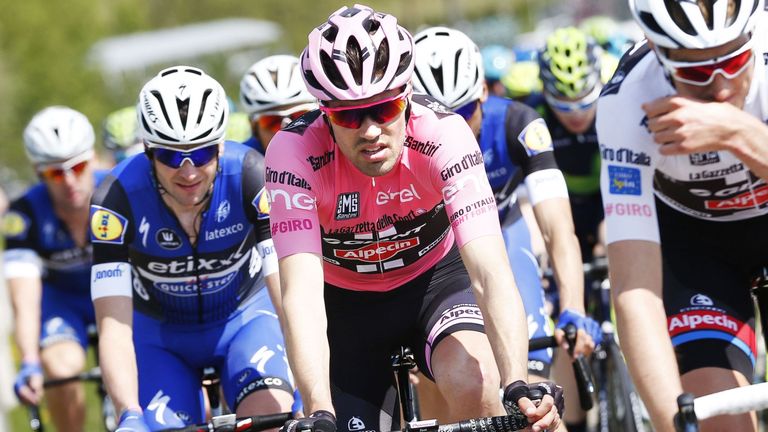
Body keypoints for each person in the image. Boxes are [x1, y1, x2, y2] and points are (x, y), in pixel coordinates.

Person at [266, 5, 565, 432]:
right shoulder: (293, 152)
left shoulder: (444, 134)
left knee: (477, 381)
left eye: (384, 109)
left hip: (435, 284)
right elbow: (302, 294)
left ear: (406, 96)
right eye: (348, 115)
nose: (370, 130)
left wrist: (516, 381)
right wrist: (318, 409)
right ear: (324, 113)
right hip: (347, 307)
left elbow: (490, 271)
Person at [412, 26, 601, 431]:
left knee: (532, 398)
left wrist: (573, 306)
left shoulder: (518, 122)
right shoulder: (402, 145)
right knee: (444, 401)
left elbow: (557, 229)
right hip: (439, 256)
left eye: (464, 111)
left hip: (502, 236)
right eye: (437, 117)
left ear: (483, 92)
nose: (454, 128)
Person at [90, 66, 297, 431]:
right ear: (148, 151)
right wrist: (128, 413)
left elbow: (286, 295)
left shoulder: (251, 174)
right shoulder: (115, 199)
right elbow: (113, 327)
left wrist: (306, 388)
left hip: (246, 320)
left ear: (221, 145)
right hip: (160, 340)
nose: (188, 172)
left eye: (201, 154)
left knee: (271, 419)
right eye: (171, 157)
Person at [597, 0, 768, 430]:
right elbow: (635, 290)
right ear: (659, 53)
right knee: (715, 413)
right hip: (696, 249)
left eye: (734, 62)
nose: (721, 88)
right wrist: (674, 421)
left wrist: (738, 131)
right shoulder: (629, 101)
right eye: (696, 72)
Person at [2, 106, 101, 432]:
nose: (70, 181)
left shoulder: (119, 191)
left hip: (120, 293)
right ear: (38, 172)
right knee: (60, 368)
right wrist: (29, 361)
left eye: (78, 166)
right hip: (63, 303)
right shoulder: (24, 214)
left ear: (93, 158)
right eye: (56, 174)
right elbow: (24, 298)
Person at [535, 27, 614, 263]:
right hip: (561, 205)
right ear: (545, 93)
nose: (576, 114)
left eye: (585, 102)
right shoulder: (534, 115)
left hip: (609, 198)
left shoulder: (614, 104)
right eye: (563, 106)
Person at [240, 54, 318, 153]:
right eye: (272, 121)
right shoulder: (242, 160)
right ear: (254, 128)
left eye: (300, 117)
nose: (288, 130)